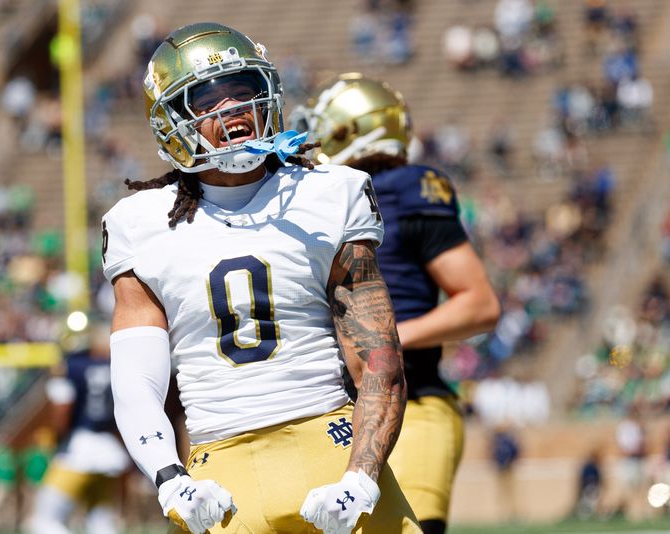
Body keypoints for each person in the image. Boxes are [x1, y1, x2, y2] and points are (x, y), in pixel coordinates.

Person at [102, 22, 421, 534]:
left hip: (330, 446)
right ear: (172, 120)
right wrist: (168, 478)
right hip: (219, 474)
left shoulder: (327, 192)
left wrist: (361, 477)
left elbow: (379, 360)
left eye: (243, 91)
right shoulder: (139, 223)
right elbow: (137, 383)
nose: (231, 110)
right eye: (207, 100)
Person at [301, 73, 500, 534]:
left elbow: (479, 304)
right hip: (335, 413)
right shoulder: (321, 199)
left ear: (348, 130)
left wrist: (383, 344)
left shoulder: (406, 189)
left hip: (414, 402)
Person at [25, 322, 130, 534]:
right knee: (100, 522)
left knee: (42, 521)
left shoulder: (71, 367)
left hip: (79, 448)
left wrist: (56, 438)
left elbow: (62, 408)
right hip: (109, 447)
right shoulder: (116, 365)